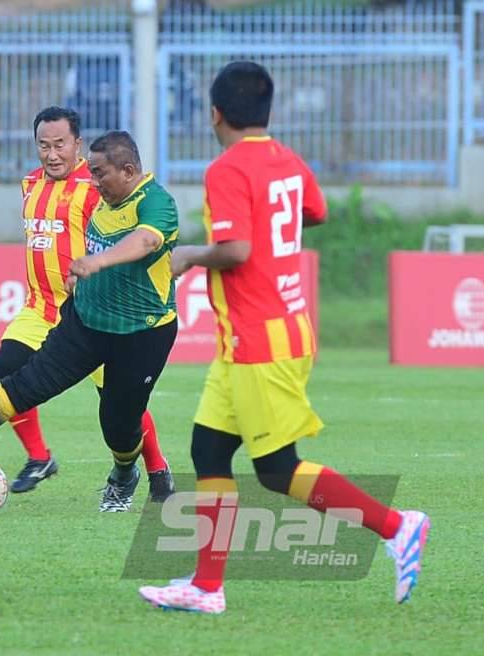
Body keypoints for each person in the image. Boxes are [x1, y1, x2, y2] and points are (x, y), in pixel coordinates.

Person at [138, 61, 429, 614]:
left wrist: (188, 257)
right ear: (266, 111)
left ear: (215, 113)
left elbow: (237, 251)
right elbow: (312, 212)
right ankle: (206, 587)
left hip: (260, 337)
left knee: (277, 469)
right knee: (209, 449)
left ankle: (397, 526)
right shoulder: (288, 160)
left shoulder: (226, 169)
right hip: (266, 332)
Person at [0, 130, 179, 513]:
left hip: (141, 333)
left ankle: (126, 474)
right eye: (90, 173)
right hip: (86, 323)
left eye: (99, 173)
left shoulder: (157, 201)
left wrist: (96, 262)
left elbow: (146, 242)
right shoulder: (102, 201)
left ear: (127, 171)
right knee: (22, 381)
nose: (93, 182)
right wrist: (80, 278)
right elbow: (98, 247)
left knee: (118, 420)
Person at [0, 106, 173, 500]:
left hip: (94, 315)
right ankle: (39, 457)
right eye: (44, 145)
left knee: (121, 405)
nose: (52, 153)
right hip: (41, 307)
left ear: (77, 144)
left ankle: (158, 470)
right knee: (7, 369)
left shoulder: (97, 187)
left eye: (60, 144)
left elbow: (130, 227)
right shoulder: (29, 184)